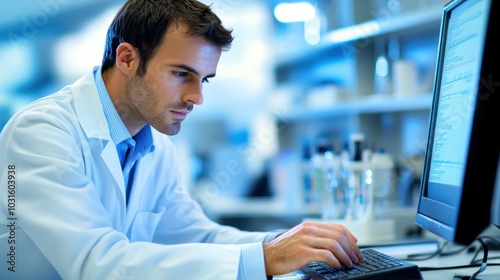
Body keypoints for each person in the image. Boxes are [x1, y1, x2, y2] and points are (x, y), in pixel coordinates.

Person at [0, 0, 363, 279]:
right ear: (127, 58)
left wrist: (286, 243)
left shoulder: (155, 147)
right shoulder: (42, 133)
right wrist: (268, 258)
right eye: (181, 74)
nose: (196, 97)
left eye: (203, 79)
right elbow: (97, 264)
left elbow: (195, 236)